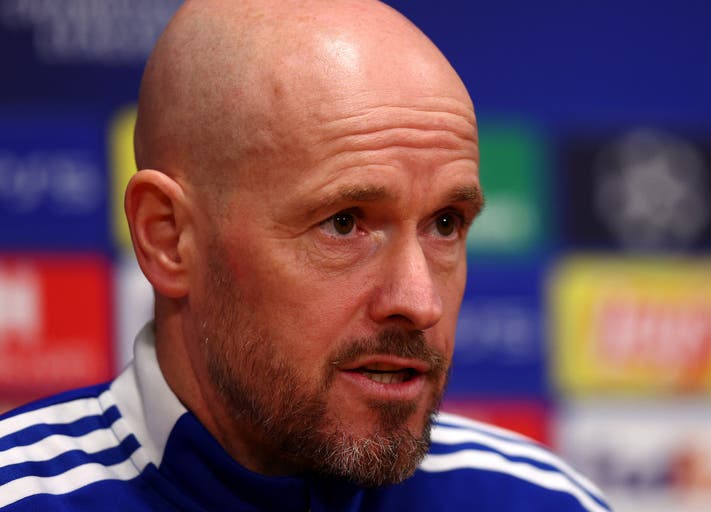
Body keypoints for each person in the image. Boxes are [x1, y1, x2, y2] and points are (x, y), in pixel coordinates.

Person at [0, 1, 611, 510]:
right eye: (344, 223)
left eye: (445, 224)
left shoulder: (542, 503)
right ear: (168, 238)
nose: (420, 302)